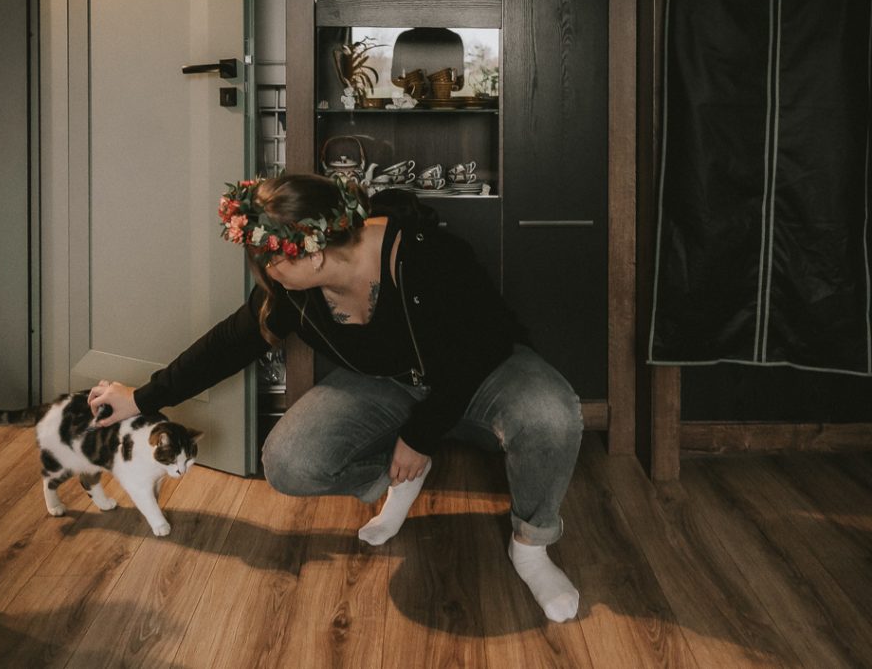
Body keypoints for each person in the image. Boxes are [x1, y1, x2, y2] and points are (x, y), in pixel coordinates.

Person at [88, 174, 584, 623]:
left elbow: (483, 345)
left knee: (552, 416)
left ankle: (530, 547)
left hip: (484, 369)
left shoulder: (428, 254)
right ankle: (403, 478)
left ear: (312, 253)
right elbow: (232, 342)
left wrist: (420, 434)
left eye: (273, 260)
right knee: (289, 462)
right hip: (390, 380)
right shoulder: (293, 290)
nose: (269, 274)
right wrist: (143, 398)